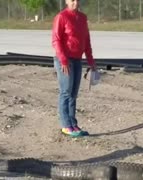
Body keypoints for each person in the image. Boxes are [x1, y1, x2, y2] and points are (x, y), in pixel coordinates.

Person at [52, 0, 96, 137]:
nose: (75, 3)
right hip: (64, 60)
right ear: (66, 1)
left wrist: (91, 60)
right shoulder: (61, 17)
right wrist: (63, 60)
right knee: (66, 92)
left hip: (77, 60)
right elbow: (56, 40)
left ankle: (73, 123)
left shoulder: (82, 18)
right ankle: (66, 125)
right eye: (72, 0)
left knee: (73, 94)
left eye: (77, 0)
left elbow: (86, 40)